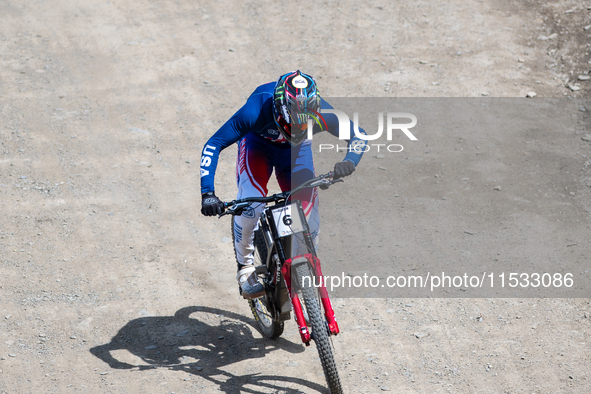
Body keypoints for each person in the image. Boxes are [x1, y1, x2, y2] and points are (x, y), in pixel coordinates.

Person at [200, 70, 365, 299]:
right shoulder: (255, 110)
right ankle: (245, 268)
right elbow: (214, 143)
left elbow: (360, 136)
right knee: (252, 205)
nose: (297, 126)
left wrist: (349, 161)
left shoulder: (324, 113)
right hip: (259, 147)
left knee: (309, 215)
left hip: (296, 153)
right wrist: (207, 192)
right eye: (293, 120)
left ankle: (302, 267)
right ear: (279, 109)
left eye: (304, 121)